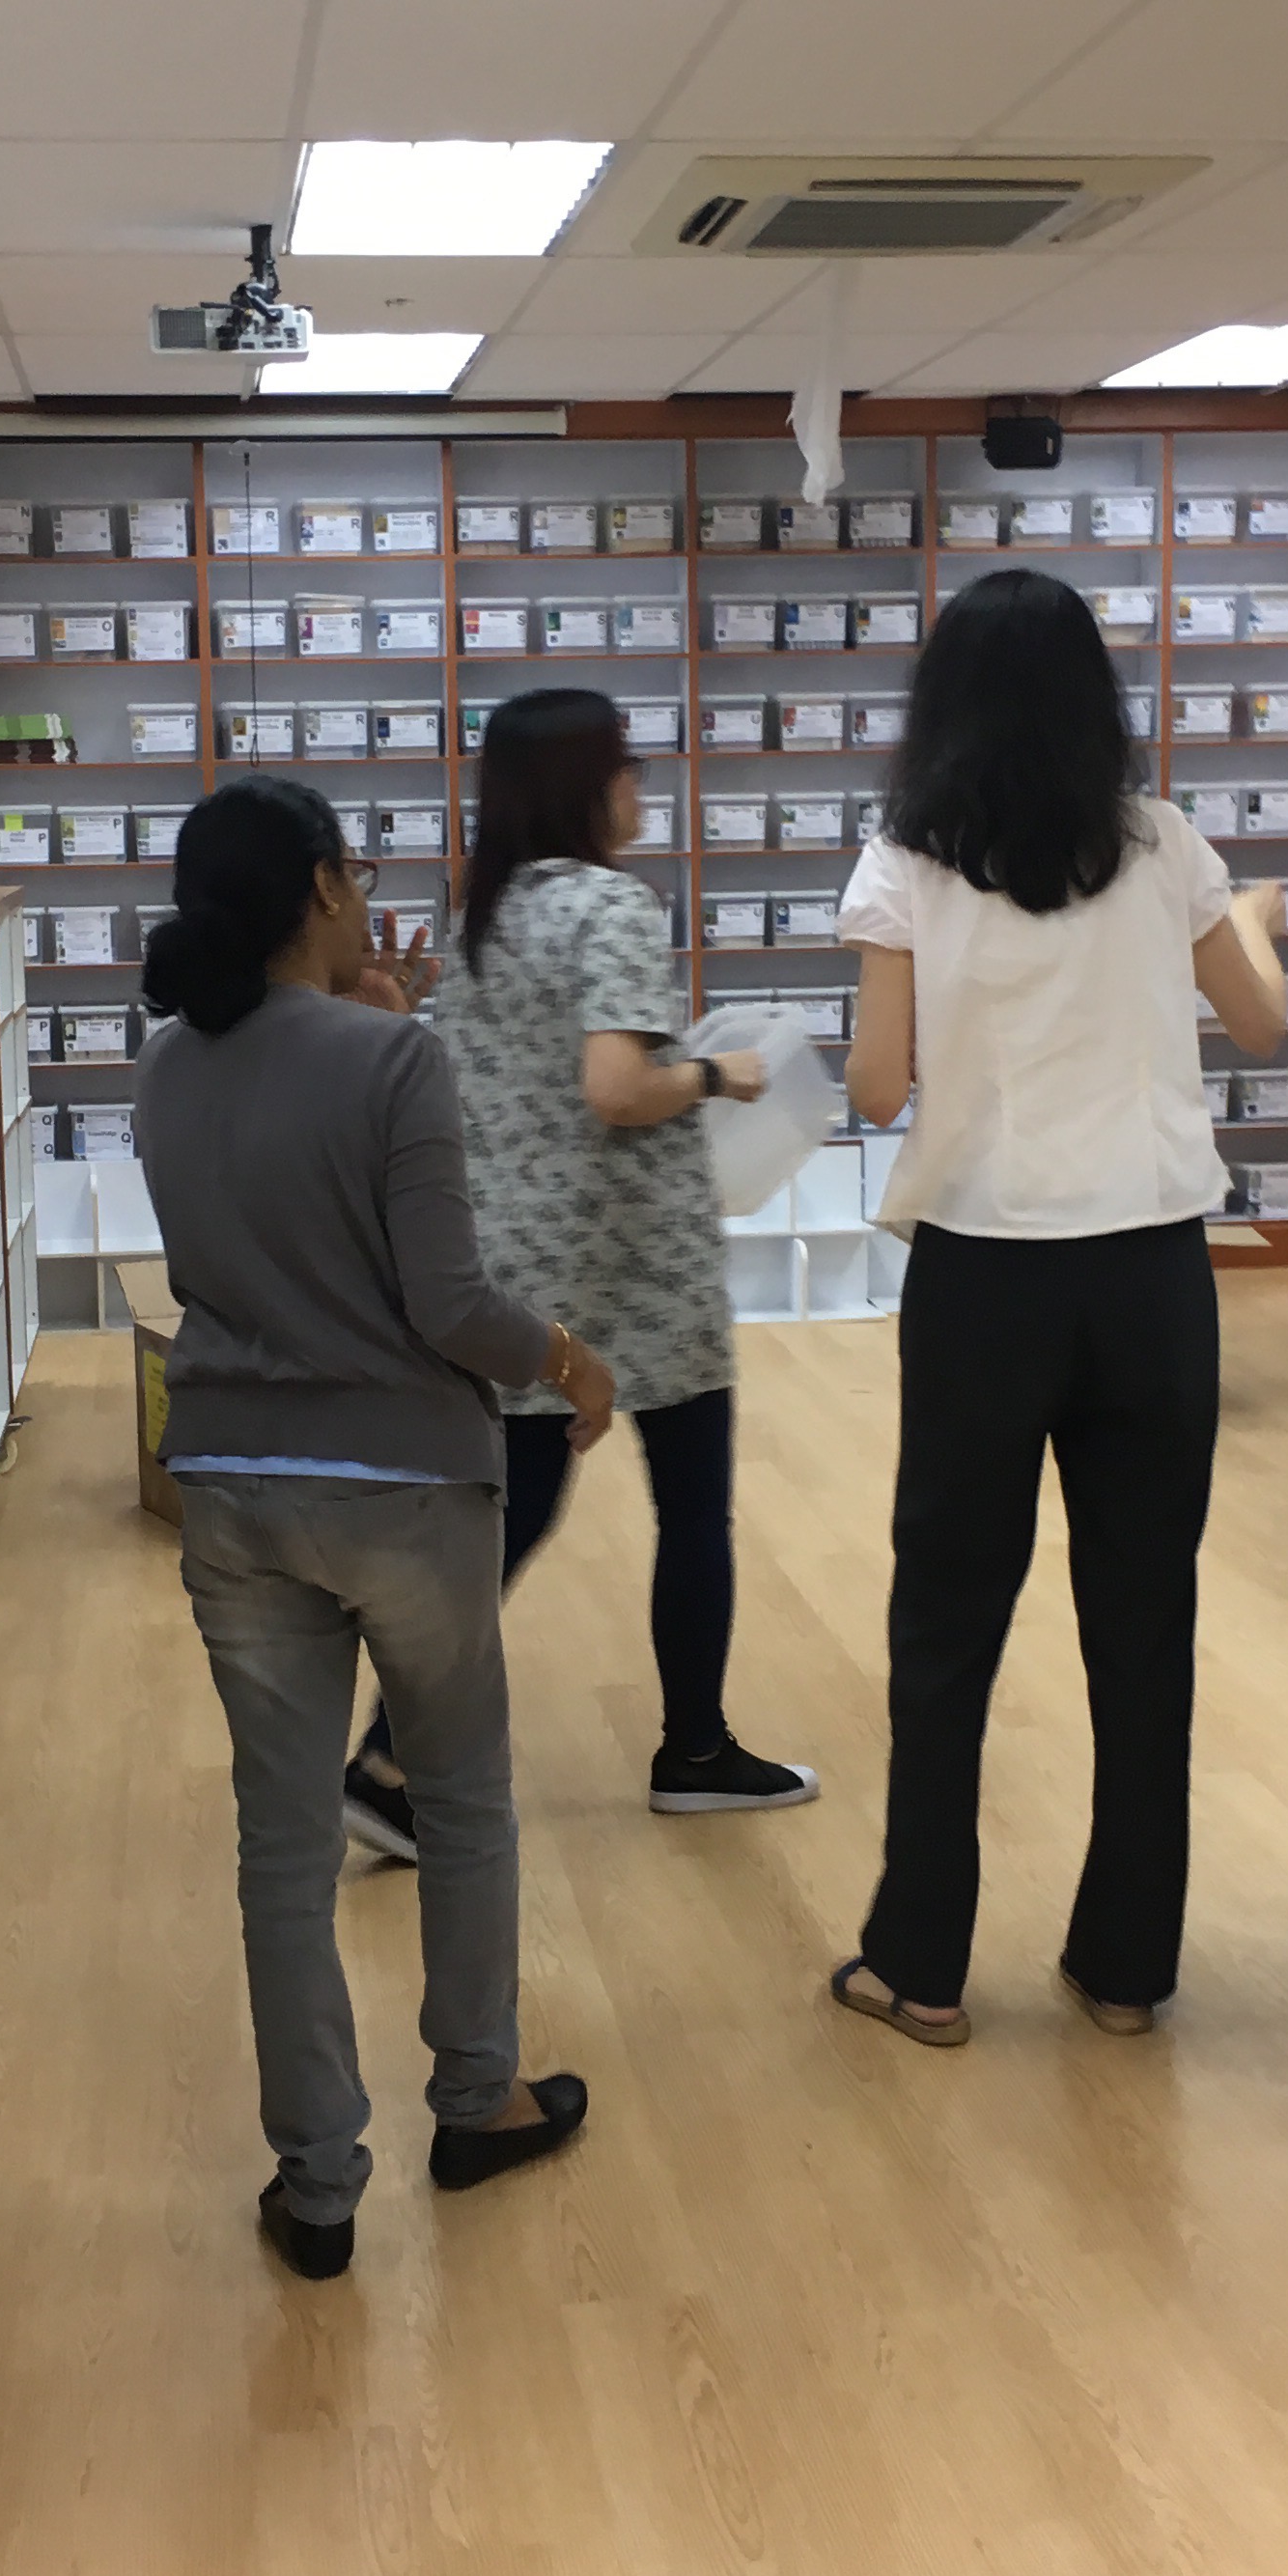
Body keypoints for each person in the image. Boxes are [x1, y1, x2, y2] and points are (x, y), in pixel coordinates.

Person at [132, 775, 616, 2278]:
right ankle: (477, 2102)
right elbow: (449, 1305)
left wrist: (373, 1015)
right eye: (360, 874)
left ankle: (319, 2187)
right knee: (461, 1799)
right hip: (405, 1489)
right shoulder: (395, 1060)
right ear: (328, 888)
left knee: (280, 1846)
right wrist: (569, 1361)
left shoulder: (164, 1067)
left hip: (231, 1486)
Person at [826, 566, 1288, 2048]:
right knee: (1144, 1625)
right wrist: (1254, 917)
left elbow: (876, 1087)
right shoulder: (1166, 844)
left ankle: (921, 1962)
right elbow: (1264, 1016)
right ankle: (1126, 1967)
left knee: (946, 1624)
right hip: (1151, 1274)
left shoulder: (906, 859)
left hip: (984, 1270)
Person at [340, 686, 819, 1859]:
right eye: (626, 767)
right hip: (641, 1262)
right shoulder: (611, 904)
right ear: (588, 785)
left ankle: (392, 1757)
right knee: (691, 1505)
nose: (638, 788)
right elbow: (620, 1087)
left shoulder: (483, 916)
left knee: (510, 1516)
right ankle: (693, 1752)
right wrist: (722, 1075)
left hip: (517, 1263)